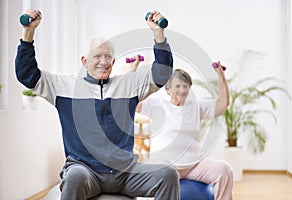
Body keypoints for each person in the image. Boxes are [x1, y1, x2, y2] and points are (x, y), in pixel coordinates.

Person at [15, 10, 179, 200]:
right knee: (75, 176)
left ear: (114, 61)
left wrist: (159, 35)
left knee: (167, 174)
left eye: (108, 57)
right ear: (84, 61)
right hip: (86, 170)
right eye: (97, 56)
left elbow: (162, 74)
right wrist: (28, 33)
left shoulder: (129, 84)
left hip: (125, 171)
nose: (103, 61)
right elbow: (27, 74)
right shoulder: (64, 87)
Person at [136, 65, 234, 200]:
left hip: (194, 164)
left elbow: (222, 104)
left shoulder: (196, 106)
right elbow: (134, 104)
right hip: (167, 164)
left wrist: (221, 76)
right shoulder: (157, 104)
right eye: (178, 86)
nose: (182, 90)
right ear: (168, 89)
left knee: (224, 170)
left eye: (185, 86)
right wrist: (133, 73)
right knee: (158, 175)